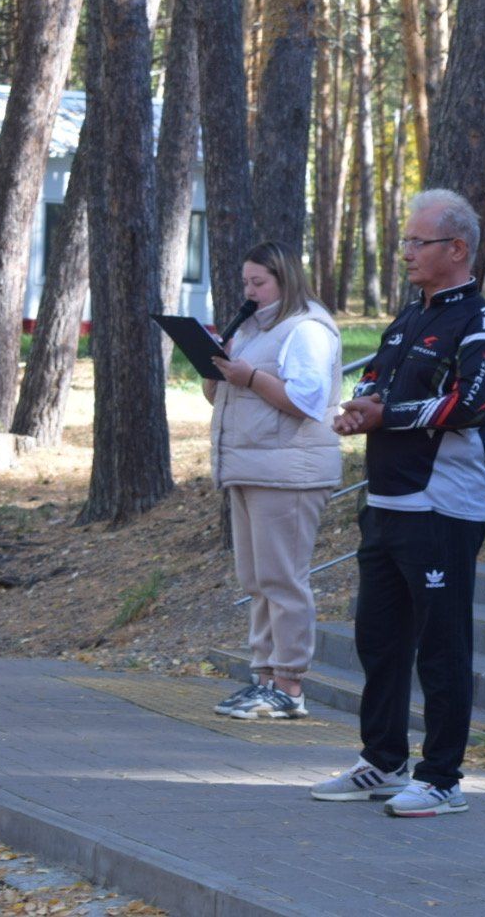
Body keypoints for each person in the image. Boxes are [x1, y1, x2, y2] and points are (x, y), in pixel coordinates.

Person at [310, 189, 485, 818]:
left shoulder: (480, 323)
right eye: (405, 242)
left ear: (457, 249)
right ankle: (384, 761)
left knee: (442, 645)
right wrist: (358, 410)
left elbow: (471, 405)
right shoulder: (405, 319)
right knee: (379, 638)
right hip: (386, 502)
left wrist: (387, 415)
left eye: (417, 243)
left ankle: (443, 778)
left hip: (443, 507)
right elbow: (375, 385)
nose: (406, 254)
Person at [206, 240, 343, 721]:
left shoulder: (306, 329)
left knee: (284, 579)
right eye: (245, 282)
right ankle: (263, 677)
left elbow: (307, 399)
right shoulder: (252, 329)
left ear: (284, 280)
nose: (249, 291)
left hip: (290, 472)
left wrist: (247, 377)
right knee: (256, 579)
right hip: (251, 466)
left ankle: (289, 683)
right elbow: (225, 399)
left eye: (258, 283)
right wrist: (216, 365)